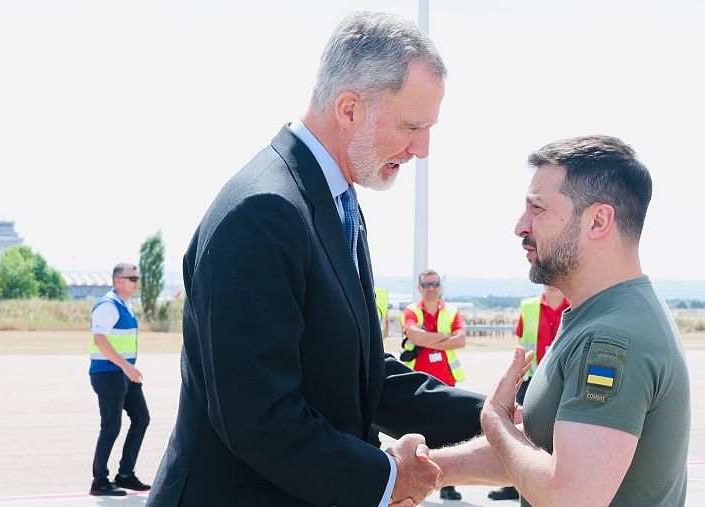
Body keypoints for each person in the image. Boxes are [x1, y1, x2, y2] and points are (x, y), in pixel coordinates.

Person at [147, 12, 484, 507]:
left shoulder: (332, 200)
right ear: (349, 109)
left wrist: (498, 417)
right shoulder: (264, 211)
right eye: (412, 126)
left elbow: (360, 374)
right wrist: (389, 479)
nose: (422, 149)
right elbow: (259, 419)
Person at [430, 136, 691, 506]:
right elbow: (543, 453)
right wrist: (429, 470)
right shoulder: (600, 314)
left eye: (538, 209)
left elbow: (568, 497)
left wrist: (496, 421)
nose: (521, 226)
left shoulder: (611, 337)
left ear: (598, 221)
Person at [487, 285, 567, 501]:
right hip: (533, 378)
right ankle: (512, 485)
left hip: (563, 379)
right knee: (522, 433)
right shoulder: (529, 307)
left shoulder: (576, 304)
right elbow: (522, 340)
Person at [399, 269, 466, 500]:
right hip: (418, 382)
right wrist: (444, 338)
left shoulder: (451, 311)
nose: (430, 288)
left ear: (440, 286)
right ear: (419, 287)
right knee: (418, 436)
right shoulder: (411, 311)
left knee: (449, 435)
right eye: (426, 285)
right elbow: (415, 338)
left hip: (447, 381)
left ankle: (448, 483)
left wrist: (429, 338)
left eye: (434, 284)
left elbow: (462, 340)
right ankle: (414, 483)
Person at [88, 263, 151, 496]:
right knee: (111, 426)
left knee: (141, 418)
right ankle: (99, 481)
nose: (137, 282)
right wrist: (126, 366)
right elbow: (100, 341)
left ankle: (125, 474)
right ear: (117, 281)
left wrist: (127, 368)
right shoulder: (107, 306)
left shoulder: (126, 305)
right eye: (132, 278)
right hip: (108, 373)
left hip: (123, 372)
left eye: (137, 278)